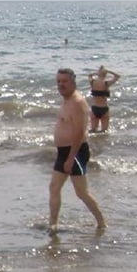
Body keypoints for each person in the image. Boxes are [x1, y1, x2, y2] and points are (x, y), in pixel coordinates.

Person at [50, 68, 106, 231]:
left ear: (73, 82)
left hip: (75, 152)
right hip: (64, 152)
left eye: (65, 81)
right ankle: (52, 225)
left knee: (81, 192)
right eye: (58, 81)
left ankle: (102, 222)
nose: (61, 85)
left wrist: (70, 158)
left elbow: (80, 133)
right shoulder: (66, 100)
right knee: (54, 187)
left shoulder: (77, 102)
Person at [87, 65, 120, 133]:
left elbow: (89, 75)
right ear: (105, 74)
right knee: (104, 131)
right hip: (104, 108)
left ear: (98, 73)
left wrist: (96, 73)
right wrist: (109, 71)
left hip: (94, 108)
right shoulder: (106, 83)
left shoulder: (92, 82)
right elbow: (117, 76)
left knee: (93, 131)